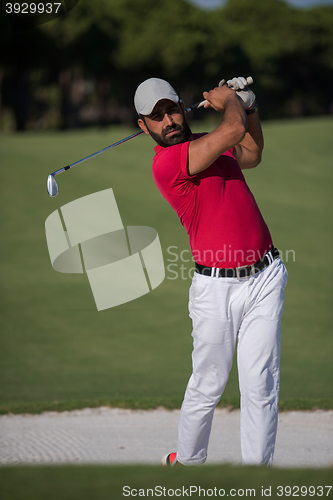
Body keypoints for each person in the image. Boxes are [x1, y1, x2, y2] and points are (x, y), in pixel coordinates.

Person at [134, 77, 288, 466]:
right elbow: (232, 129)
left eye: (170, 109)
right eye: (157, 117)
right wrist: (234, 102)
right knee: (208, 384)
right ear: (144, 126)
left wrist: (249, 109)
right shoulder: (167, 163)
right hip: (215, 290)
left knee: (261, 386)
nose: (168, 121)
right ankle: (187, 464)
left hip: (265, 277)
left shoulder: (209, 142)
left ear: (181, 107)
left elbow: (250, 153)